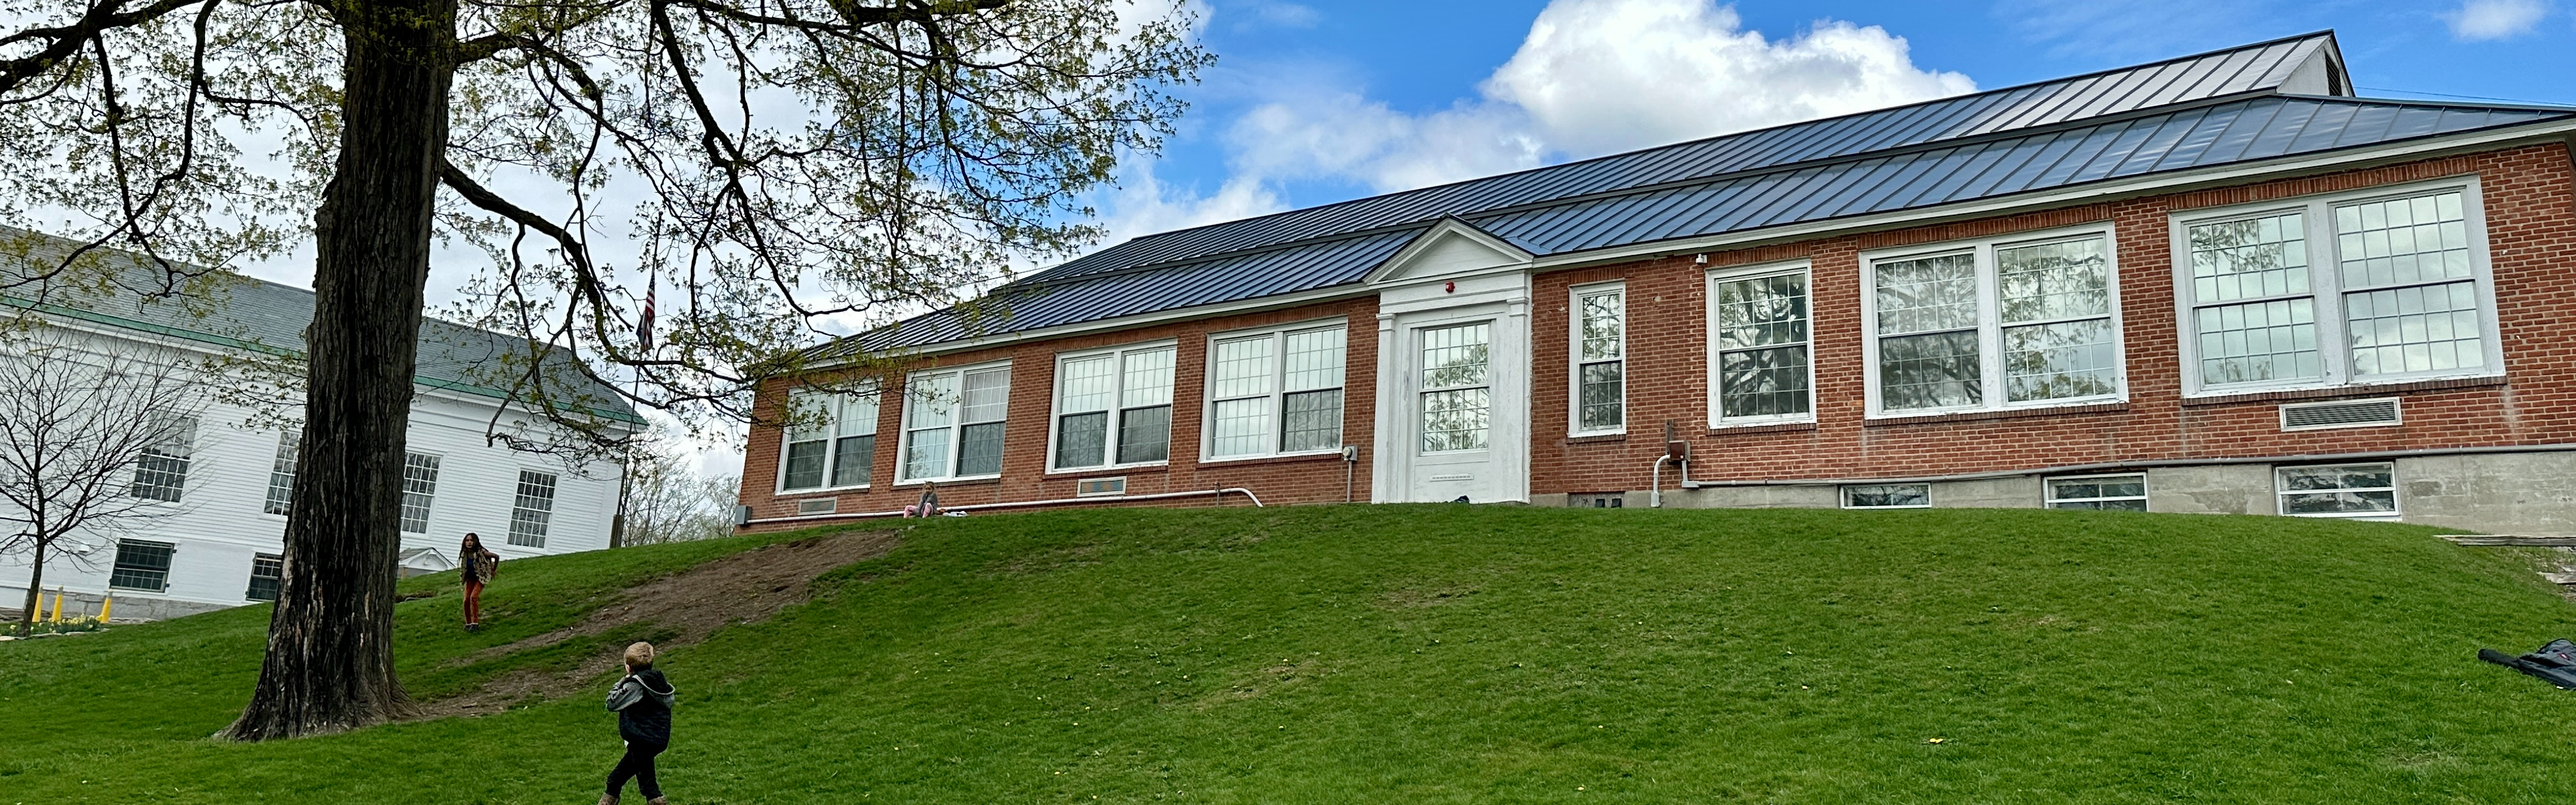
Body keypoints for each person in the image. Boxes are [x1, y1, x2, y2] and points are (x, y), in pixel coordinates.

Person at [603, 641, 678, 805]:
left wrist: (623, 680)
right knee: (615, 780)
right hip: (656, 738)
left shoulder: (635, 686)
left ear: (629, 667)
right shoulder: (658, 681)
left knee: (649, 788)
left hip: (641, 740)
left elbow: (612, 703)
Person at [458, 533, 500, 632]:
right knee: (466, 600)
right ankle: (468, 624)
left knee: (474, 597)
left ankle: (475, 623)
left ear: (475, 542)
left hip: (480, 578)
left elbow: (496, 557)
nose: (469, 543)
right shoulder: (465, 554)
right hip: (470, 579)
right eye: (467, 540)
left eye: (471, 540)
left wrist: (493, 569)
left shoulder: (481, 552)